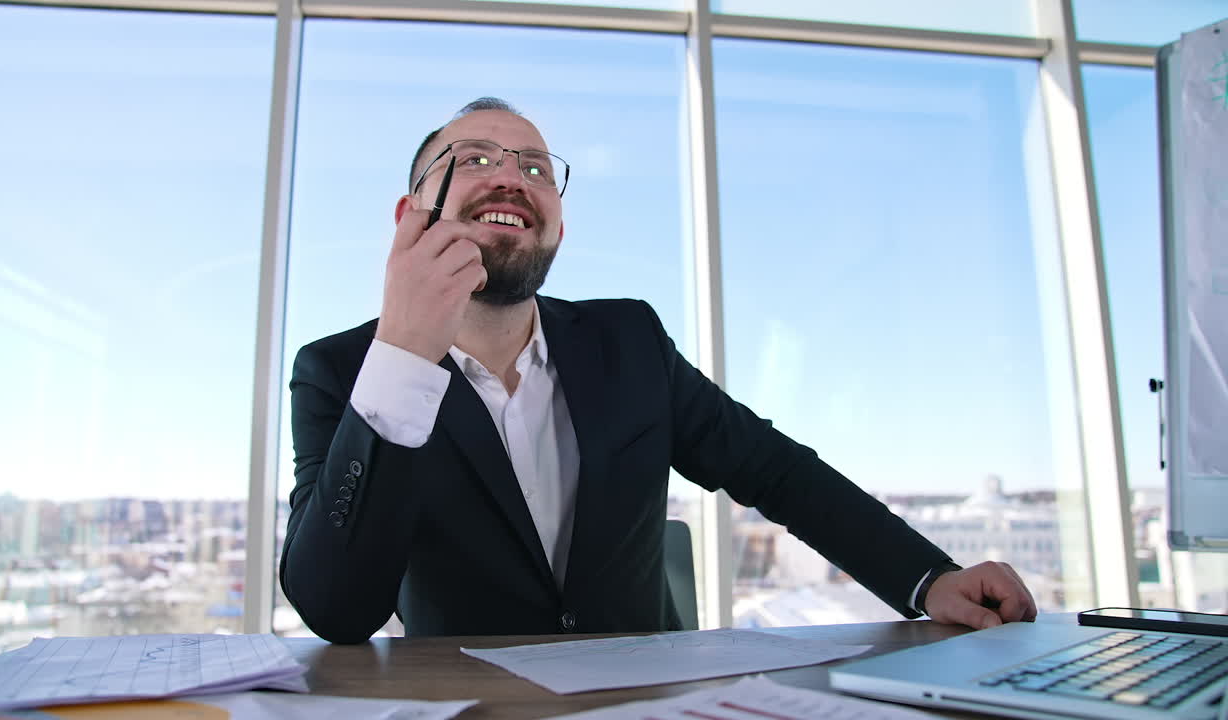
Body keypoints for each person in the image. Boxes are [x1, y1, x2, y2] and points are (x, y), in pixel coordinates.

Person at [279, 97, 1037, 643]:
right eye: (474, 159)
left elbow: (778, 473)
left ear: (557, 224)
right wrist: (404, 356)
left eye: (535, 167)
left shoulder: (630, 340)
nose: (510, 177)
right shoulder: (340, 371)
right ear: (410, 215)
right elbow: (335, 610)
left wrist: (927, 579)